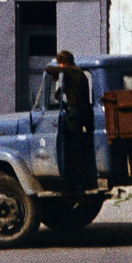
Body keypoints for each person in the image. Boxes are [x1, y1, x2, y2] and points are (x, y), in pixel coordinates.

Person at [47, 50, 94, 185]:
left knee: (74, 146)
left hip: (77, 111)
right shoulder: (75, 73)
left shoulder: (72, 71)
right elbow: (73, 90)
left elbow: (48, 68)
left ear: (64, 63)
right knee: (76, 144)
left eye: (60, 63)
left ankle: (76, 180)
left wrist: (56, 71)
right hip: (81, 110)